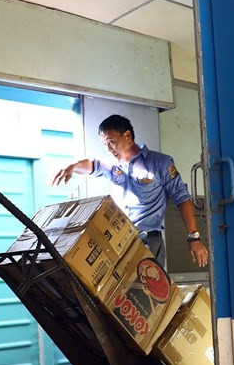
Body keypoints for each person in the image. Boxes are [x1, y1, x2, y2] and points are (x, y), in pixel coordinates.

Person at [52, 114, 208, 269]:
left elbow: (182, 198)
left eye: (111, 142)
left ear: (127, 135)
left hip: (146, 242)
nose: (108, 149)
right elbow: (91, 164)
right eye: (104, 144)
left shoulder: (159, 162)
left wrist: (194, 237)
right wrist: (72, 166)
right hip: (117, 243)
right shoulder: (113, 165)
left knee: (148, 291)